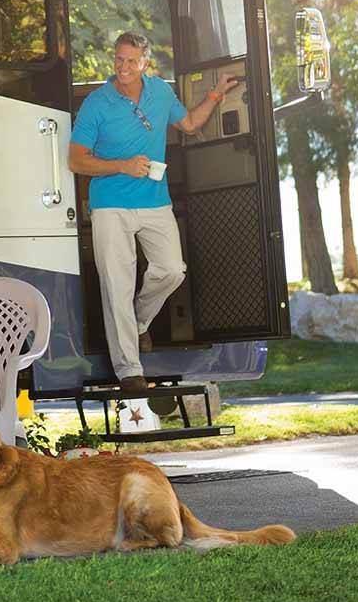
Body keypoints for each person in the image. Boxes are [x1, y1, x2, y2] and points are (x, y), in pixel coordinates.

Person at [68, 32, 239, 391]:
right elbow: (76, 160)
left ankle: (139, 322)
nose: (124, 67)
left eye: (131, 61)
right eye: (119, 59)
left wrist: (215, 95)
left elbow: (189, 124)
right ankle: (129, 370)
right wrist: (121, 165)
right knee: (117, 285)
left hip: (155, 202)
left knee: (171, 271)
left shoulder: (160, 91)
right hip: (110, 205)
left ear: (145, 63)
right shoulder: (97, 103)